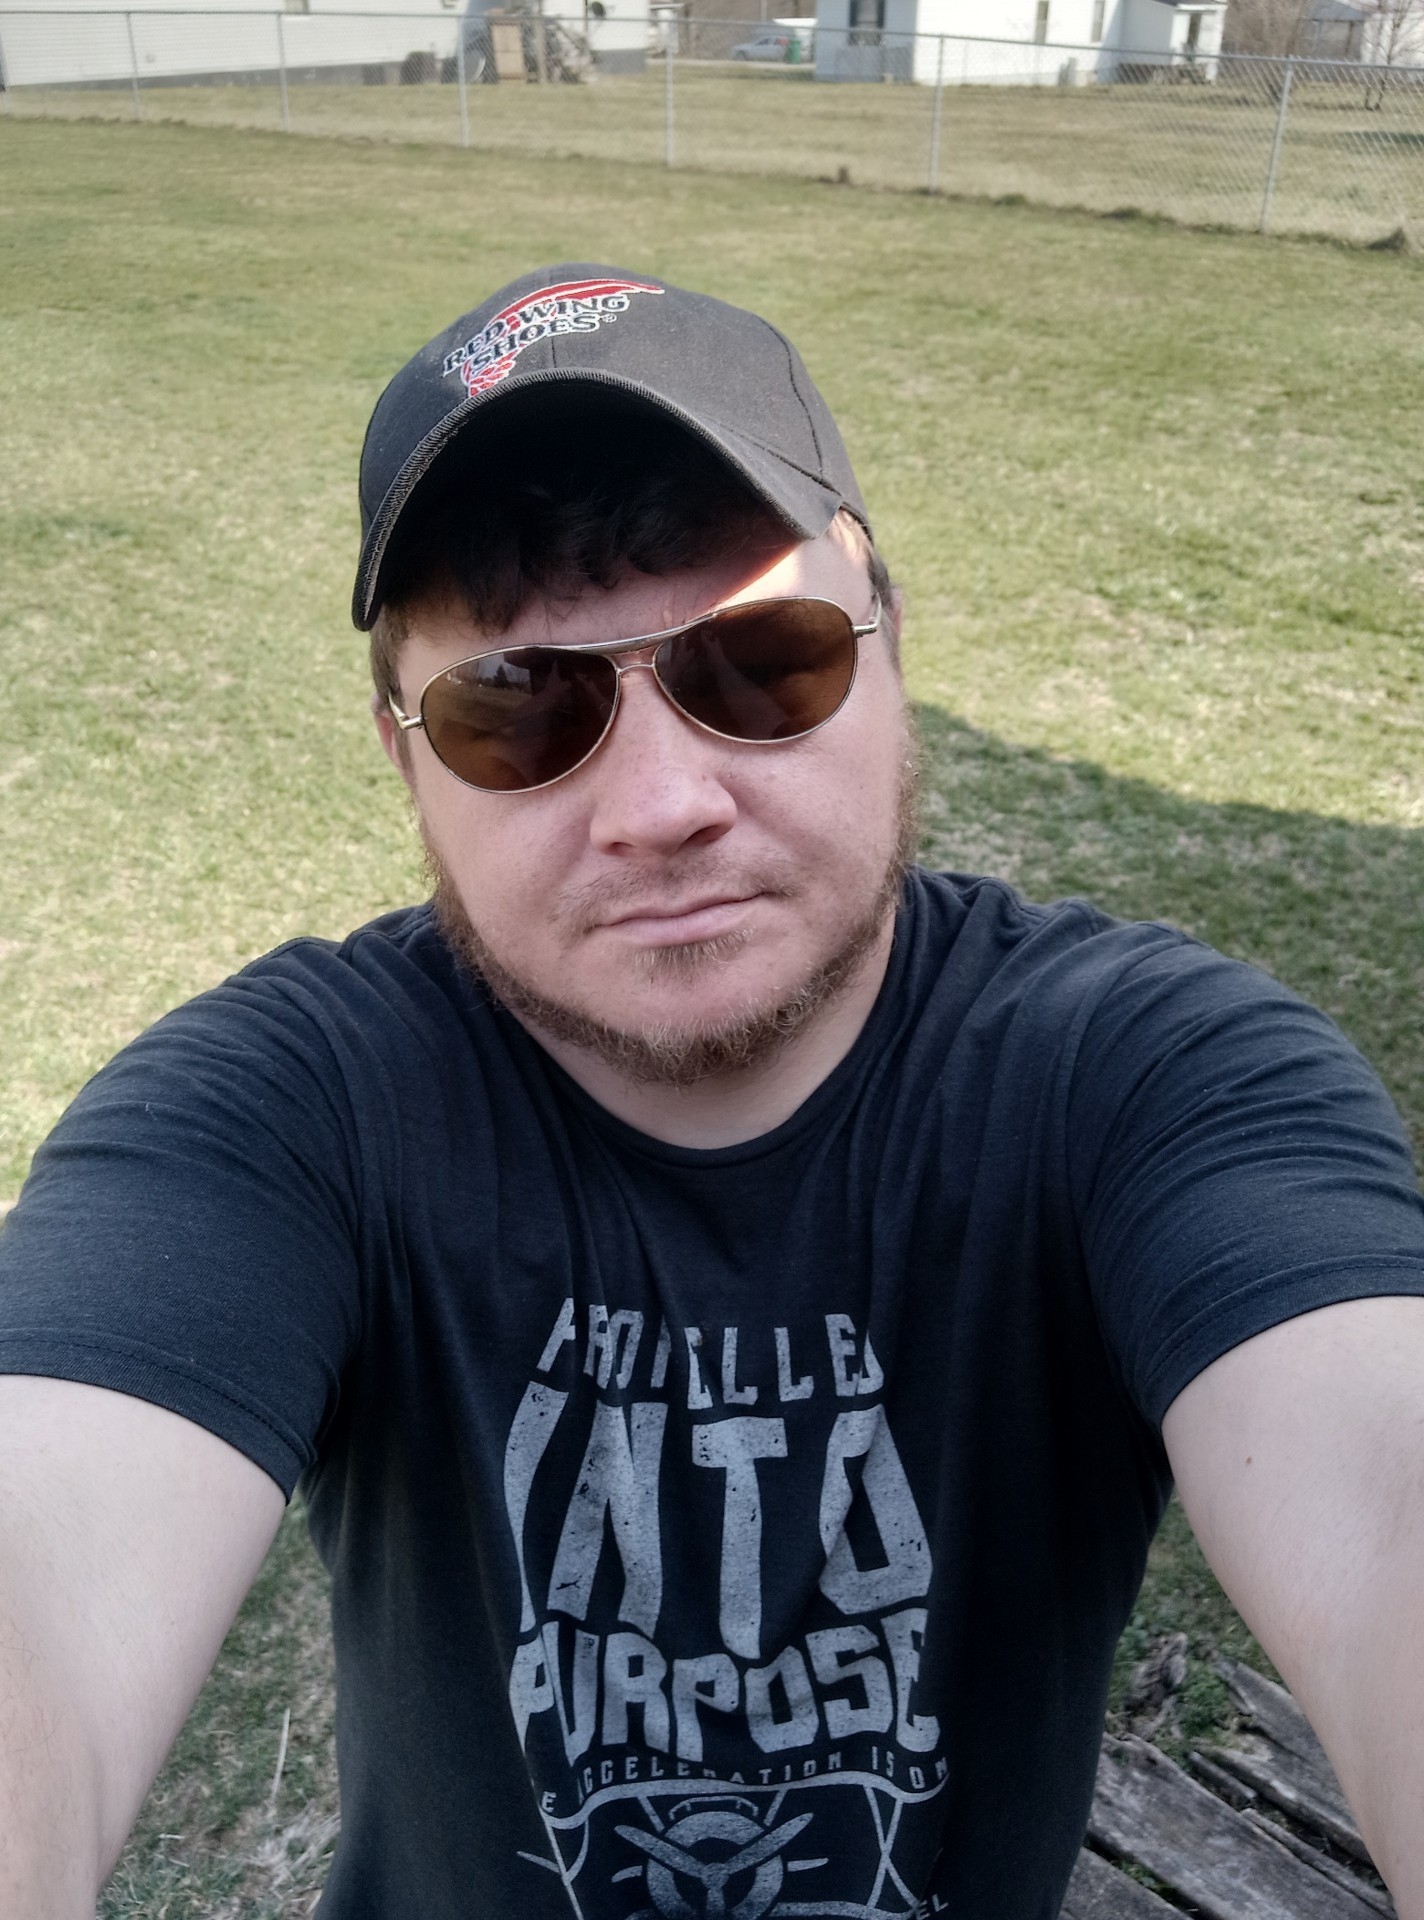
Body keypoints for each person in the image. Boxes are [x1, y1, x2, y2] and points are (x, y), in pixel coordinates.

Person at [1, 263, 1422, 1920]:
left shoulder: (1147, 1075)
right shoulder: (288, 1109)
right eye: (519, 707)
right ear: (404, 761)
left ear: (893, 654)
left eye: (762, 662)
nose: (662, 804)